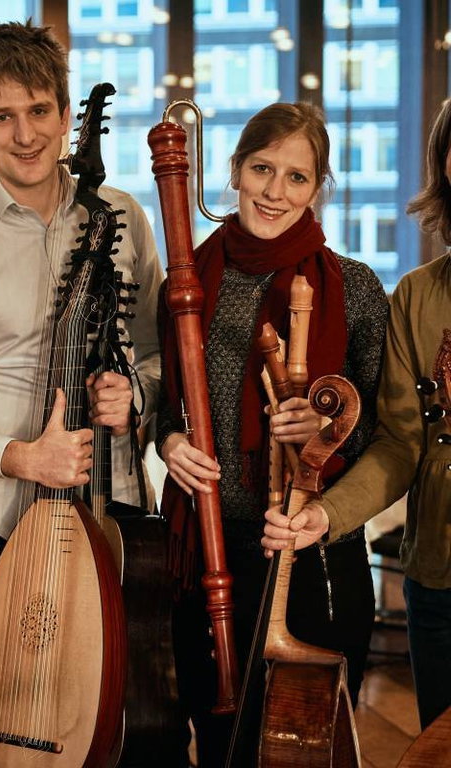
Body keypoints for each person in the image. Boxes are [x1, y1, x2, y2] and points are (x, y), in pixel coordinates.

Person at [0, 18, 165, 755]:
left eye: (39, 110)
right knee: (17, 727)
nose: (25, 135)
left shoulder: (124, 218)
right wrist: (26, 457)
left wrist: (135, 397)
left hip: (117, 506)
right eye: (2, 117)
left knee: (123, 718)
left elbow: (154, 356)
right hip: (2, 517)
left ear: (62, 112)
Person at [155, 102, 389, 766]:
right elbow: (169, 408)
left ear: (317, 189)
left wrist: (326, 429)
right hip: (208, 549)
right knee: (216, 739)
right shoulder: (186, 279)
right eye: (262, 168)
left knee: (304, 748)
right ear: (234, 170)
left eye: (297, 176)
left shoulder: (355, 288)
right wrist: (168, 443)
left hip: (312, 549)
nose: (274, 191)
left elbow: (384, 432)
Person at [262, 97, 451, 733]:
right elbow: (399, 442)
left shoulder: (365, 287)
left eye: (297, 175)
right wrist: (327, 513)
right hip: (439, 577)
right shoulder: (418, 294)